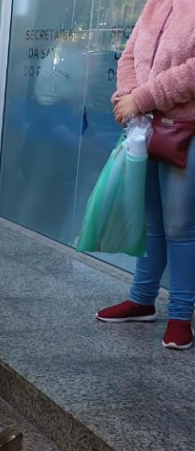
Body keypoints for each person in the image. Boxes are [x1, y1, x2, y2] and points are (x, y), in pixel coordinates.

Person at [96, 0, 195, 350]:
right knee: (151, 219)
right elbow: (129, 54)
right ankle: (142, 299)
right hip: (147, 127)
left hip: (186, 129)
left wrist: (142, 98)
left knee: (181, 226)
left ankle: (182, 315)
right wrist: (128, 98)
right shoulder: (157, 3)